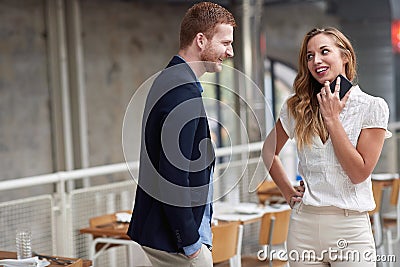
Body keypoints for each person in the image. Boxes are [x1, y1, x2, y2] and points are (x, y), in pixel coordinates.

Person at [262, 27, 391, 266]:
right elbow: (269, 152)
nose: (316, 61)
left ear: (345, 57)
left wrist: (332, 119)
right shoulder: (296, 106)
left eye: (324, 52)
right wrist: (289, 195)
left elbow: (358, 173)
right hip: (303, 229)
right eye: (310, 56)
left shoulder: (372, 107)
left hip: (351, 230)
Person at [127, 2, 236, 267]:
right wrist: (190, 244)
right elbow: (173, 176)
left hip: (171, 236)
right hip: (178, 244)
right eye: (225, 43)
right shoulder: (180, 91)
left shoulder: (173, 80)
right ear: (201, 40)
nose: (230, 52)